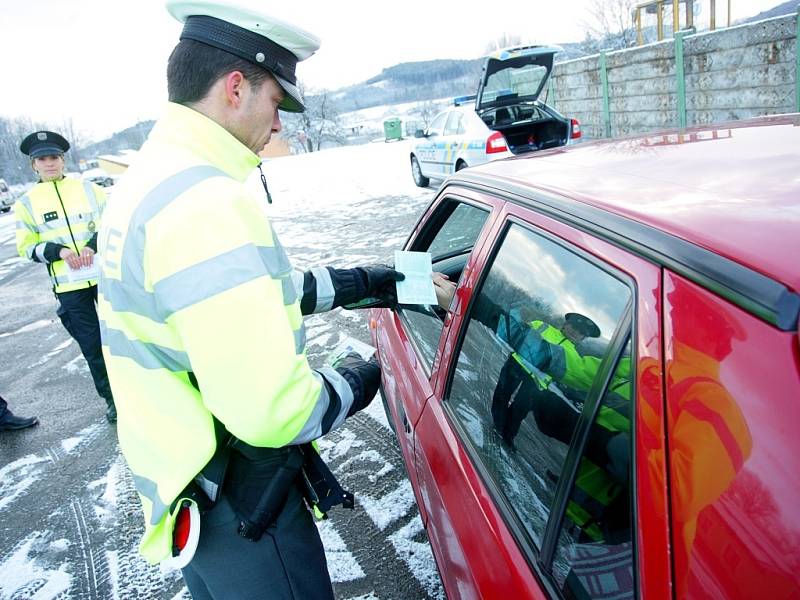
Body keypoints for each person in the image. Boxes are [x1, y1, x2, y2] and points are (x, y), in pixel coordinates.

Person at [96, 3, 403, 598]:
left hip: (188, 488)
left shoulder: (150, 181)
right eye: (277, 102)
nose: (280, 122)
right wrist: (363, 379)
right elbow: (274, 413)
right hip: (241, 503)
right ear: (236, 87)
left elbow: (231, 300)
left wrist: (365, 280)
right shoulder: (206, 204)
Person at [15, 131, 116, 423]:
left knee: (124, 338)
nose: (49, 163)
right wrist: (57, 251)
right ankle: (112, 400)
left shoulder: (89, 189)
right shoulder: (27, 203)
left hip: (103, 278)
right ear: (33, 165)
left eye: (54, 157)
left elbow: (111, 223)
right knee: (93, 347)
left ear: (63, 160)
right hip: (70, 288)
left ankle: (139, 392)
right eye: (42, 159)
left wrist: (91, 245)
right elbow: (25, 246)